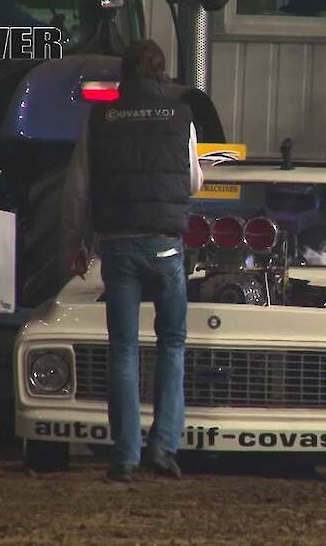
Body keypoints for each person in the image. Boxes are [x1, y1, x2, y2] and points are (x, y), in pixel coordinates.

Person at [63, 39, 203, 483]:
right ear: (161, 73)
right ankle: (163, 449)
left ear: (124, 74)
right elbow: (194, 179)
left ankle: (124, 457)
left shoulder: (100, 118)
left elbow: (78, 188)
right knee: (172, 346)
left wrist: (76, 242)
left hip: (119, 246)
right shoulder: (182, 116)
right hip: (165, 247)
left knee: (123, 351)